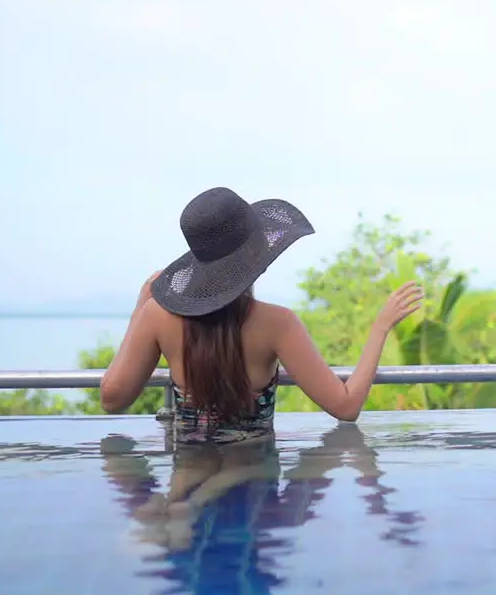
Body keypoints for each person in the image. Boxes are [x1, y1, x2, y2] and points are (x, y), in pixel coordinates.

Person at [98, 187, 423, 440]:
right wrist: (380, 327)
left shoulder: (157, 316)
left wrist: (144, 303)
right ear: (258, 254)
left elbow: (112, 399)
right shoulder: (278, 325)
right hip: (256, 490)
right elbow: (347, 406)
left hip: (189, 486)